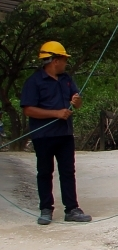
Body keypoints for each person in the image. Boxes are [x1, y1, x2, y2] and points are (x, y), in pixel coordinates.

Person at [20, 41, 91, 224]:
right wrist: (56, 113)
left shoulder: (67, 79)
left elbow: (78, 103)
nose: (65, 63)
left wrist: (76, 102)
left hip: (65, 134)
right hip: (43, 136)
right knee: (45, 172)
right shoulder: (34, 82)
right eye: (64, 59)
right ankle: (46, 209)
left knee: (68, 171)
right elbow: (28, 110)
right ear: (55, 61)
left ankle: (72, 209)